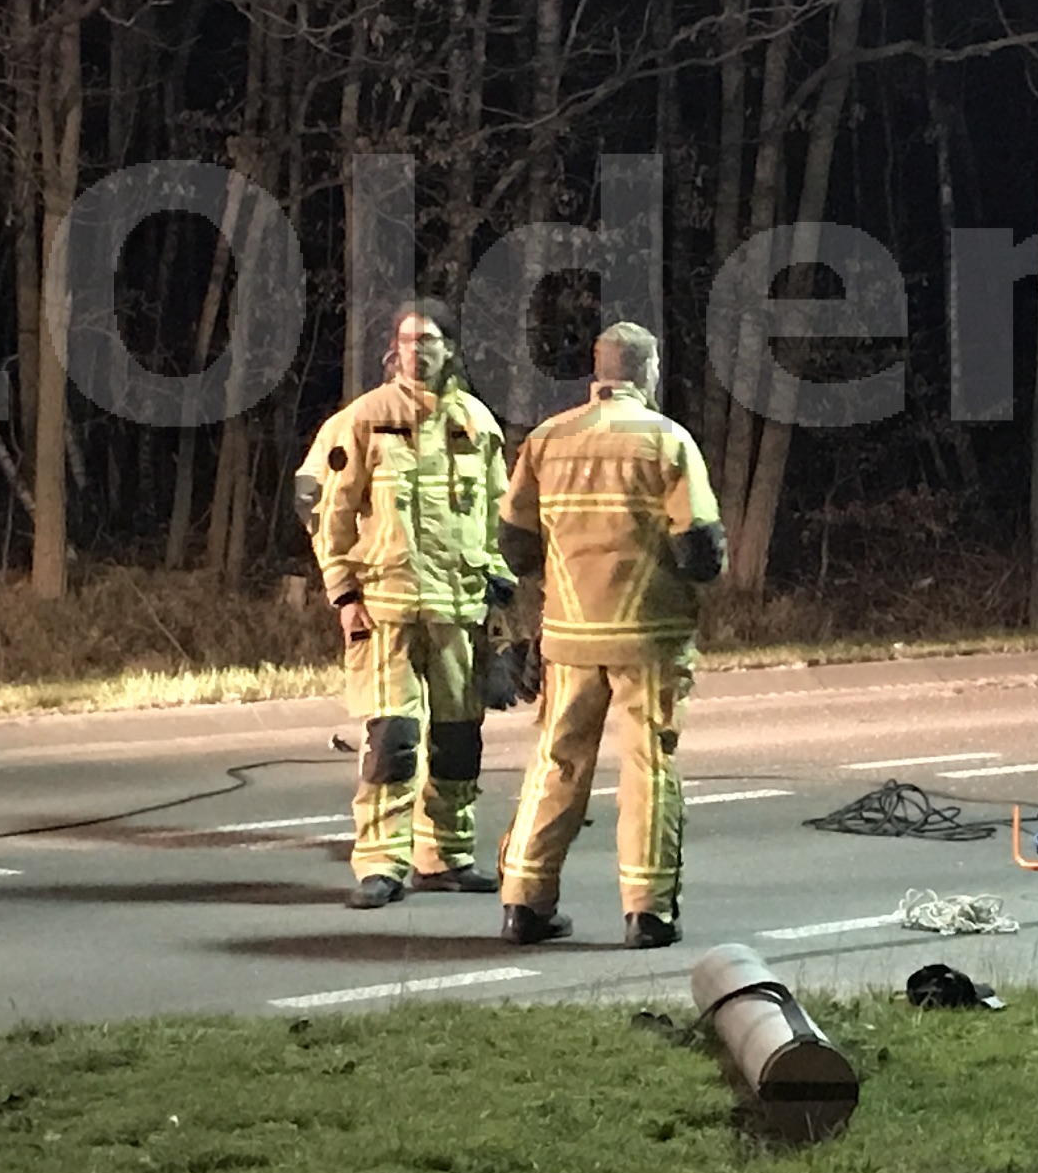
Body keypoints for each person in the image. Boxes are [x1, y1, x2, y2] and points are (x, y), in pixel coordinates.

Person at [495, 322, 722, 949]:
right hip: (649, 638)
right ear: (648, 372)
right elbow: (701, 549)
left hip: (568, 635)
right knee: (649, 766)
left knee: (556, 762)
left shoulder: (547, 440)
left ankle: (523, 902)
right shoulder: (668, 442)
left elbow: (513, 544)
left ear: (597, 371)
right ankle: (647, 912)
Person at [293, 301, 514, 907]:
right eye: (407, 340)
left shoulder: (477, 424)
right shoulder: (366, 419)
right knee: (393, 739)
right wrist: (342, 591)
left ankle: (444, 856)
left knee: (458, 739)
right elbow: (326, 511)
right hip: (384, 609)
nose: (417, 351)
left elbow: (497, 518)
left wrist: (499, 592)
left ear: (451, 349)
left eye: (430, 340)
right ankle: (380, 864)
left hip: (458, 611)